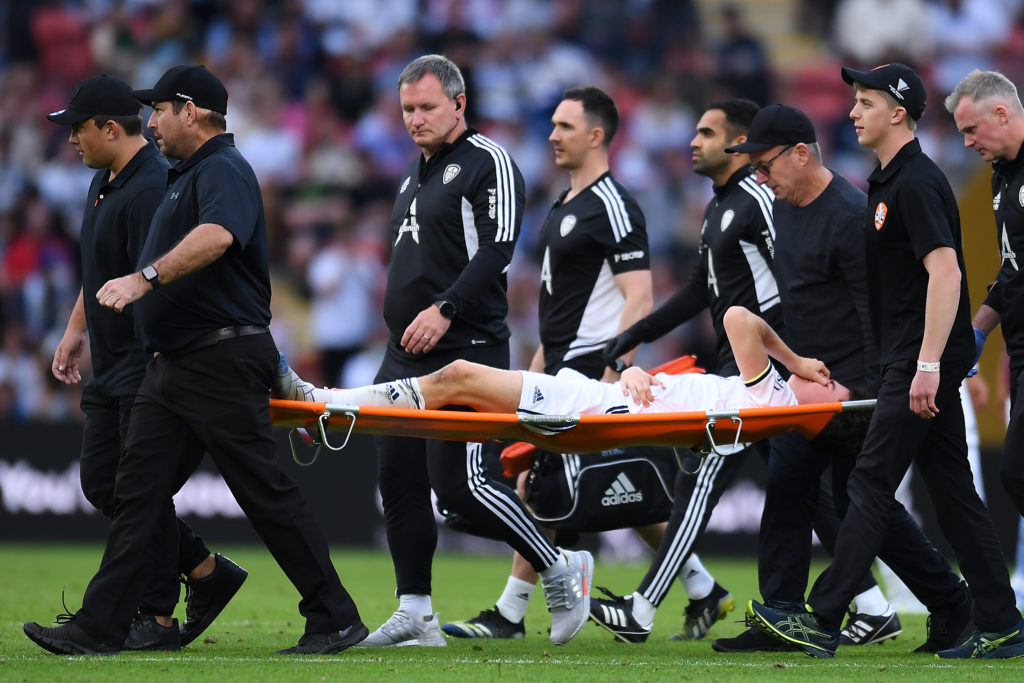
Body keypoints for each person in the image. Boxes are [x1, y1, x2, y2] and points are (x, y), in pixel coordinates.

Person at [23, 64, 366, 656]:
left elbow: (220, 236)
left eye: (159, 110)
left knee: (264, 493)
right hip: (174, 364)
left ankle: (334, 615)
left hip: (221, 356)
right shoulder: (186, 175)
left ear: (191, 110)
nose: (150, 123)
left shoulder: (224, 169)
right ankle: (101, 625)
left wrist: (145, 277)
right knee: (135, 494)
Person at [748, 62, 1024, 659]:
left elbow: (945, 271)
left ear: (897, 112)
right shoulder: (888, 181)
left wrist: (926, 364)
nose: (852, 112)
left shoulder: (916, 182)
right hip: (917, 356)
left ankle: (821, 618)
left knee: (869, 485)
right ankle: (1000, 623)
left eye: (865, 103)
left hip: (916, 360)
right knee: (952, 493)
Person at [440, 86, 700, 640]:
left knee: (543, 487)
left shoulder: (614, 203)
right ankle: (705, 589)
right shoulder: (564, 202)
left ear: (597, 135)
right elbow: (557, 303)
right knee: (608, 489)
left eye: (564, 125)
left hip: (591, 370)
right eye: (553, 125)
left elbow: (640, 298)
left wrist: (615, 369)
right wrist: (536, 366)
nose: (552, 135)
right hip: (558, 366)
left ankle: (509, 613)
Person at [350, 54, 592, 648]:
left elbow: (499, 249)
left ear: (459, 104)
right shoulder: (414, 173)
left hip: (468, 347)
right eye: (407, 108)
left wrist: (445, 308)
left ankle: (560, 565)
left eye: (427, 107)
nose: (415, 119)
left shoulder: (490, 161)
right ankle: (416, 612)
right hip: (405, 350)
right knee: (398, 480)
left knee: (462, 488)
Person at [716, 104, 971, 653]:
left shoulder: (852, 216)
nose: (760, 179)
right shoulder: (785, 208)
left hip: (854, 389)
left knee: (861, 502)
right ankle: (780, 614)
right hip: (808, 383)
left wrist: (865, 393)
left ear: (801, 153)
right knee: (792, 490)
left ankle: (952, 602)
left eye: (765, 166)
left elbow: (876, 311)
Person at [45, 73, 246, 651]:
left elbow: (158, 276)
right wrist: (73, 331)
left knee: (138, 493)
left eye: (78, 129)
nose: (71, 141)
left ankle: (156, 616)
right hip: (108, 364)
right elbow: (100, 270)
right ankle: (205, 571)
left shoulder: (154, 185)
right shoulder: (104, 181)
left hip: (145, 364)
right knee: (103, 484)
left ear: (111, 128)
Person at [586, 99, 775, 643]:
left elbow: (793, 283)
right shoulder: (720, 206)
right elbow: (699, 290)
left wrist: (792, 360)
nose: (693, 141)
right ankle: (877, 603)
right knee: (811, 495)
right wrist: (636, 334)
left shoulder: (761, 199)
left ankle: (643, 607)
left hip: (761, 374)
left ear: (738, 143)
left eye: (706, 133)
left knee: (699, 476)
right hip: (737, 369)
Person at [276, 306, 849, 430]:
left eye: (831, 380)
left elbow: (737, 319)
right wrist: (636, 373)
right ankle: (327, 404)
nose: (825, 373)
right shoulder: (760, 396)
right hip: (605, 397)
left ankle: (326, 401)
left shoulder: (771, 394)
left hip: (588, 408)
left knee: (454, 377)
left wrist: (797, 361)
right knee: (457, 389)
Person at [946, 69, 1024, 527]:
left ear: (1001, 113)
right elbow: (1012, 269)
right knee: (1014, 472)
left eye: (971, 130)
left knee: (1015, 470)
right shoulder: (1002, 177)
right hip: (1019, 347)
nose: (966, 143)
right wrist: (977, 330)